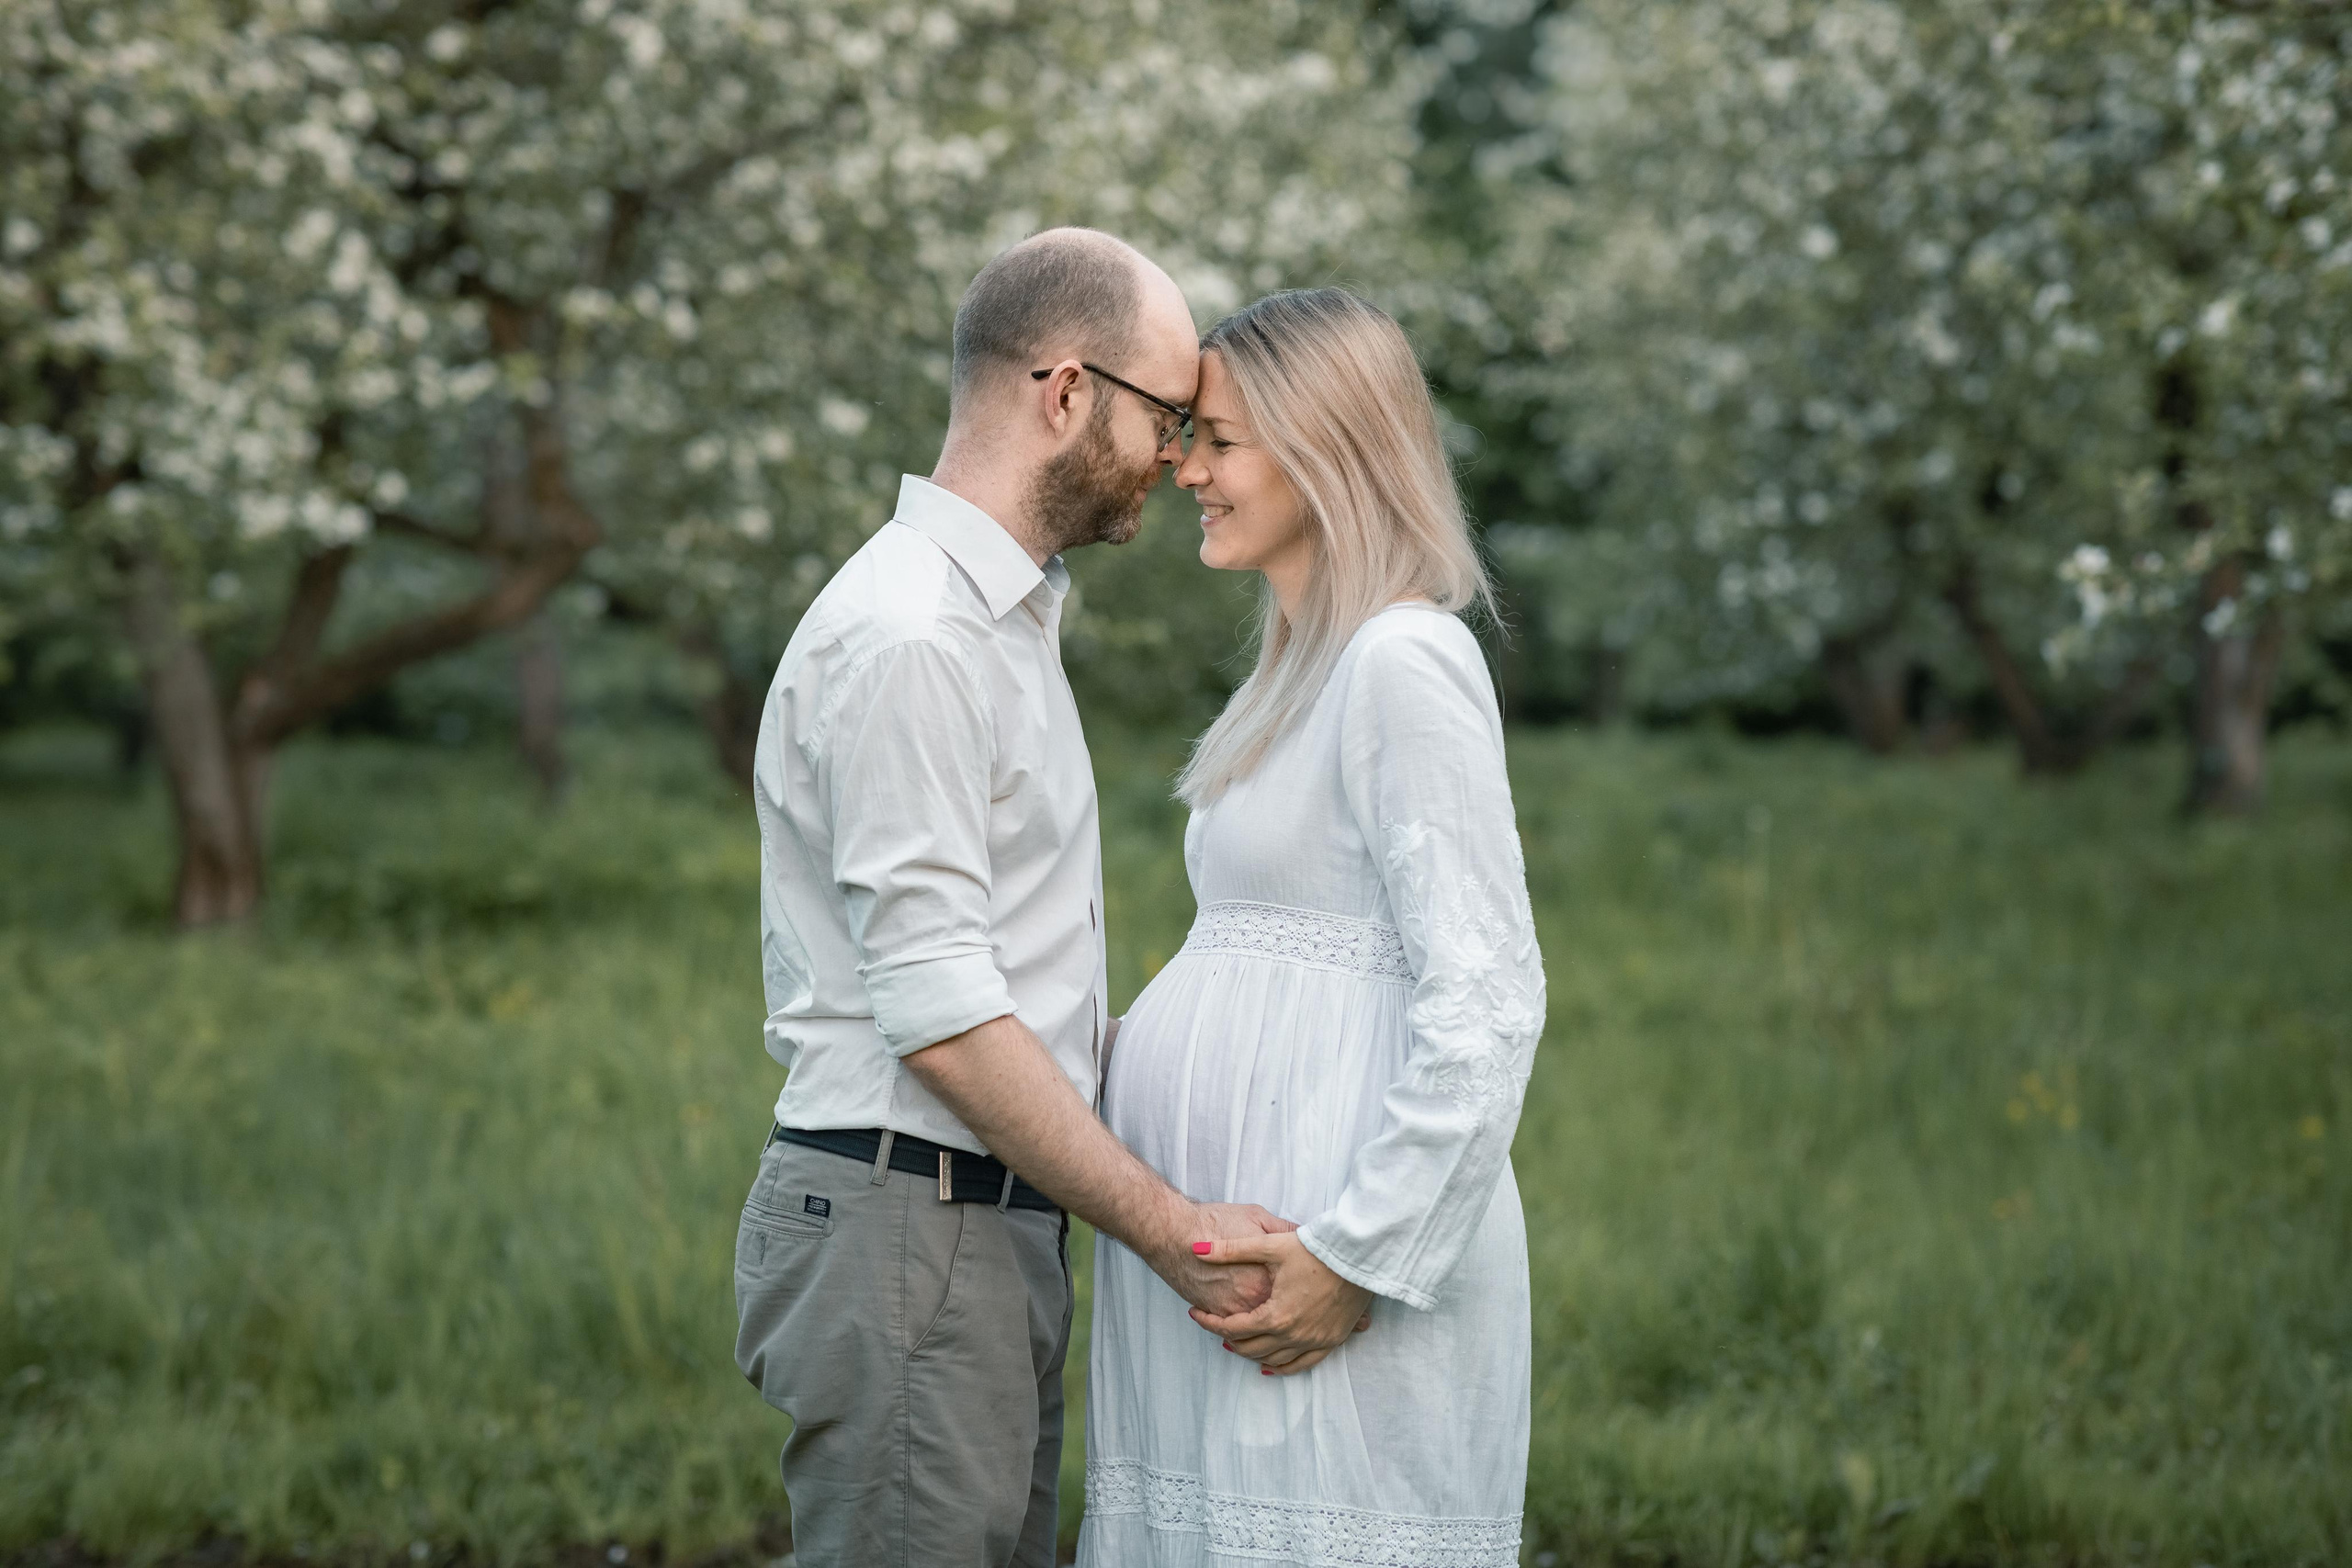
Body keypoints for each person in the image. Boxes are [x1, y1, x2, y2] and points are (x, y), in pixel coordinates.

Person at [731, 228, 1293, 1568]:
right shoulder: (919, 637)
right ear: (1062, 392)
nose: (1177, 454)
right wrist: (1176, 1232)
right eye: (1165, 415)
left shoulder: (995, 620)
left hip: (965, 1226)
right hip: (913, 1223)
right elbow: (939, 1010)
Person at [1079, 288, 1546, 1565]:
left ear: (1326, 446)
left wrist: (1356, 1257)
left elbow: (1490, 1002)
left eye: (1218, 440)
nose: (1185, 469)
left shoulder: (1405, 661)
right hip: (1236, 1277)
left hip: (1333, 1268)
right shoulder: (1303, 668)